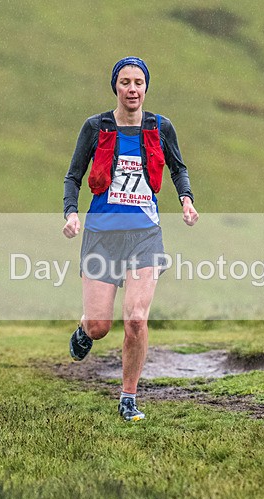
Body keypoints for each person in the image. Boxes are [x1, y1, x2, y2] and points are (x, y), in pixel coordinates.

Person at [62, 56, 199, 421]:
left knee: (136, 319)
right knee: (100, 326)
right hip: (101, 237)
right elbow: (73, 177)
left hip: (144, 236)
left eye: (139, 82)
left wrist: (186, 201)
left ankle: (128, 397)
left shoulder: (160, 127)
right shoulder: (96, 127)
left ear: (146, 87)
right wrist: (71, 213)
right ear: (115, 87)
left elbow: (177, 168)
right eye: (125, 82)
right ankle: (85, 327)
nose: (132, 89)